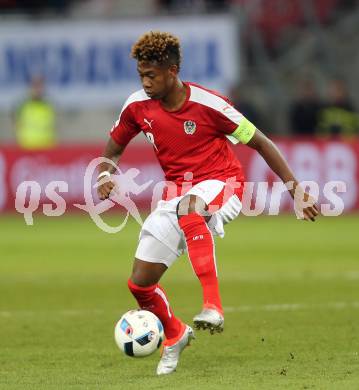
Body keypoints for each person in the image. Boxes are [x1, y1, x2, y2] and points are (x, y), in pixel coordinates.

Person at [97, 31, 318, 375]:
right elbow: (112, 151)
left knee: (190, 209)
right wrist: (104, 175)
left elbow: (261, 142)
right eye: (141, 75)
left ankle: (212, 305)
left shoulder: (209, 104)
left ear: (172, 71)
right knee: (139, 283)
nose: (145, 82)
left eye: (151, 75)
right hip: (177, 192)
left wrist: (296, 190)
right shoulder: (137, 106)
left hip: (224, 182)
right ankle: (174, 333)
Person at [13, 76, 56, 150]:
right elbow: (16, 124)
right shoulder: (23, 106)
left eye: (40, 86)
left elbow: (53, 127)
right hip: (26, 148)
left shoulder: (49, 106)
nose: (37, 90)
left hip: (46, 148)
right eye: (35, 86)